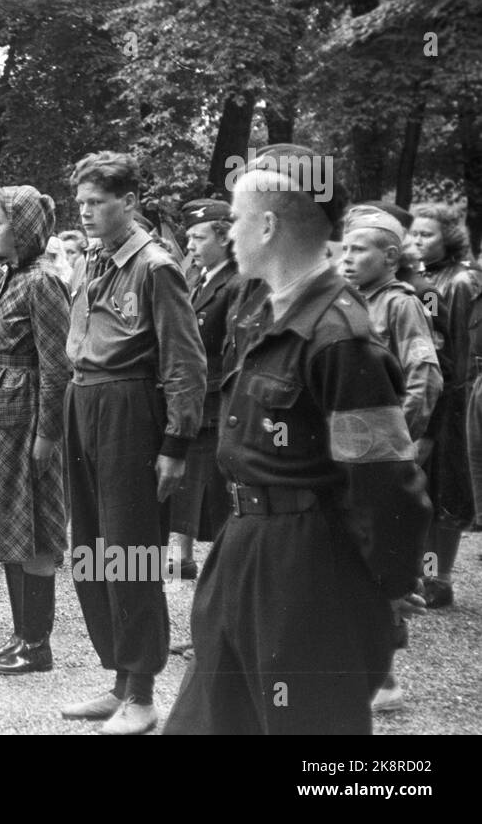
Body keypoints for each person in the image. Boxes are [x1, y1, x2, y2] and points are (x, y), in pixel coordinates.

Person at [165, 146, 432, 734]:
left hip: (308, 566)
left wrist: (388, 583)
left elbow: (385, 477)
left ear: (267, 225)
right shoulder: (262, 313)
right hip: (243, 548)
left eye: (234, 218)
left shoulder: (338, 337)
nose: (229, 232)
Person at [60, 151, 206, 735]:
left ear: (128, 202)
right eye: (82, 204)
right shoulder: (95, 261)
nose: (88, 214)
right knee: (90, 549)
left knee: (130, 552)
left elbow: (185, 363)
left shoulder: (155, 266)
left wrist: (175, 442)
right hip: (84, 399)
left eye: (98, 202)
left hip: (127, 407)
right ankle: (120, 677)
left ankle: (143, 693)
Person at [341, 205, 443, 713]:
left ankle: (384, 678)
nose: (348, 258)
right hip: (346, 458)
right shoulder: (346, 302)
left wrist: (396, 441)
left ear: (391, 256)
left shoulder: (400, 305)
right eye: (346, 248)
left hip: (380, 457)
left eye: (361, 250)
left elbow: (425, 375)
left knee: (381, 557)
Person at [0, 185, 71, 677]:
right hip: (2, 418)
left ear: (24, 228)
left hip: (27, 418)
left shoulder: (43, 282)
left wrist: (47, 434)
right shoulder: (11, 278)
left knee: (37, 533)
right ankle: (20, 636)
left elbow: (57, 366)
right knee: (11, 527)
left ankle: (36, 643)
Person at [408, 204, 480, 608]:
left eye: (427, 236)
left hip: (453, 398)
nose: (417, 242)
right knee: (425, 492)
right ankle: (424, 573)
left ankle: (439, 577)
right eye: (414, 235)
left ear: (448, 237)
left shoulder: (460, 282)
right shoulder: (422, 281)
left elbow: (449, 351)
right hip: (434, 397)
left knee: (444, 494)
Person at [168, 199, 241, 582]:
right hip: (198, 399)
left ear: (224, 236)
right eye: (189, 237)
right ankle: (190, 561)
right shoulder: (198, 276)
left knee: (217, 497)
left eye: (198, 237)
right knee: (191, 491)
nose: (191, 244)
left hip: (217, 402)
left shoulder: (237, 283)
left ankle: (223, 571)